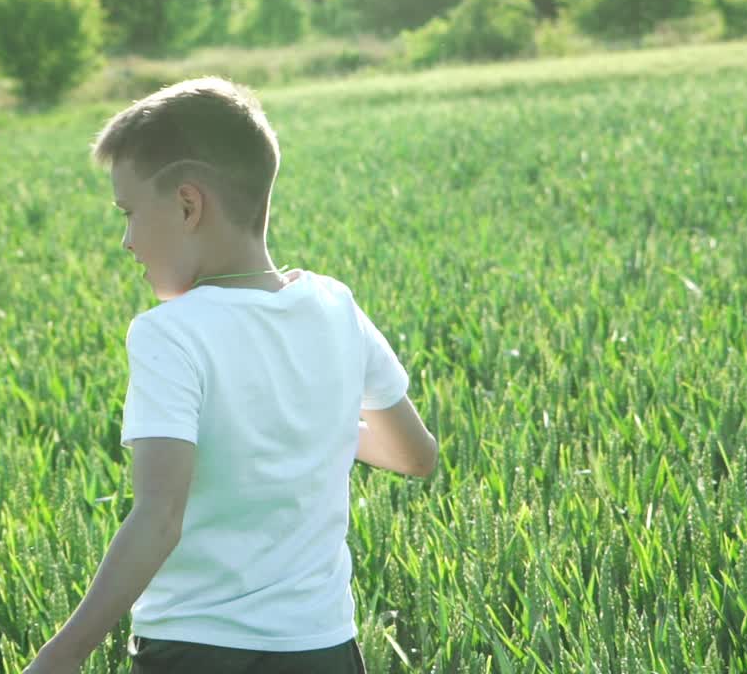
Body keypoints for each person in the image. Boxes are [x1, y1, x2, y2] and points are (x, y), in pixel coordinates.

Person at [22, 77, 439, 674]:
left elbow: (160, 518)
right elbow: (415, 456)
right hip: (322, 649)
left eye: (130, 214)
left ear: (188, 206)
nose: (127, 241)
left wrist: (56, 661)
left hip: (195, 650)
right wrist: (306, 427)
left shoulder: (170, 333)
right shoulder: (335, 306)